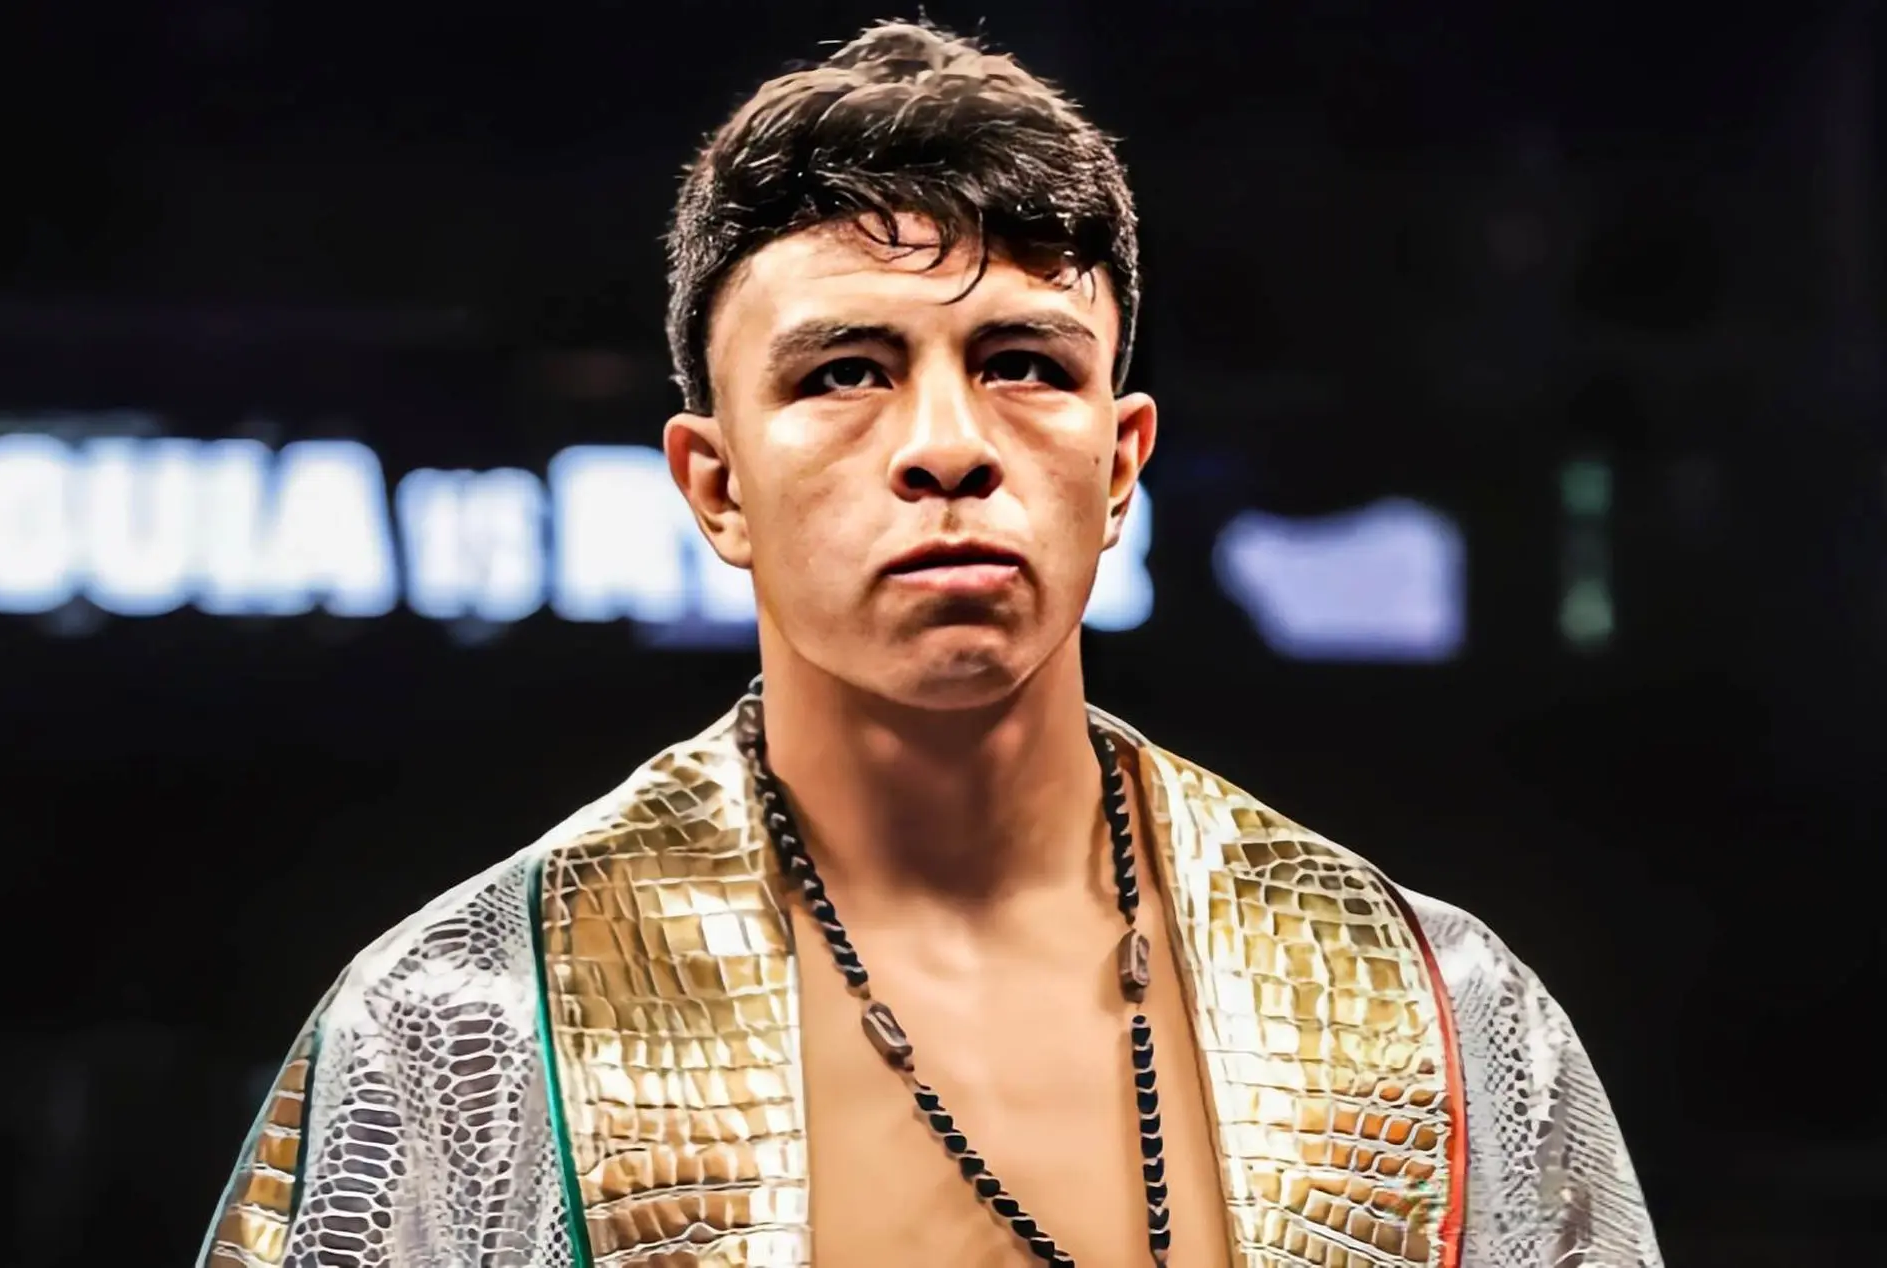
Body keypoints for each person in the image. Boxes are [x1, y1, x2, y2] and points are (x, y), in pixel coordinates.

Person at [199, 20, 1661, 1268]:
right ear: (716, 486)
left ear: (1120, 465)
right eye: (846, 373)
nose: (948, 444)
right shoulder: (464, 1029)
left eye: (1023, 364)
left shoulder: (1440, 1017)